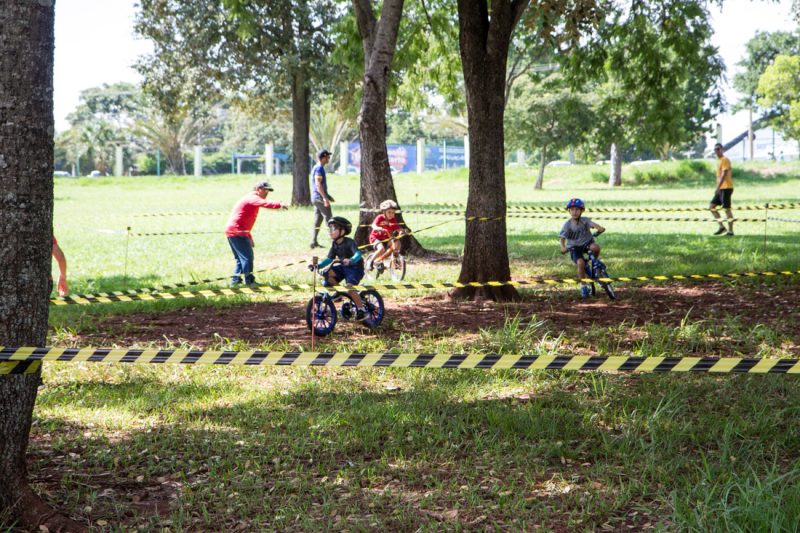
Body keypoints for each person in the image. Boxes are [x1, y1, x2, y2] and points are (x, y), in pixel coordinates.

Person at [225, 181, 286, 286]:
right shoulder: (253, 197)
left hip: (236, 230)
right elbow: (265, 203)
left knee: (241, 258)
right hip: (237, 231)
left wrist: (249, 236)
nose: (267, 192)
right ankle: (250, 281)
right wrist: (279, 204)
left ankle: (235, 281)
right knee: (247, 257)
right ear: (258, 189)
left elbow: (244, 220)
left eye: (268, 190)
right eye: (265, 190)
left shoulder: (252, 198)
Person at [309, 216, 369, 320]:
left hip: (355, 268)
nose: (330, 232)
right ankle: (340, 292)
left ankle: (361, 310)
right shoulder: (334, 244)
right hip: (343, 267)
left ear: (342, 230)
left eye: (333, 229)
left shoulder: (350, 242)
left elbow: (358, 254)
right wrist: (318, 265)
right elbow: (329, 258)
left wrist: (351, 260)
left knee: (350, 287)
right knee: (327, 274)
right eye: (329, 229)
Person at [559, 198, 605, 299]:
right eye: (572, 210)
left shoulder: (585, 220)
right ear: (569, 211)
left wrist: (599, 228)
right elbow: (562, 238)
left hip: (587, 243)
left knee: (595, 247)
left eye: (577, 210)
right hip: (574, 247)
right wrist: (562, 247)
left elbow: (593, 224)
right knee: (580, 263)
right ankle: (584, 286)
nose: (574, 212)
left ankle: (594, 264)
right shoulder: (567, 225)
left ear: (581, 211)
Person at [366, 199, 404, 273]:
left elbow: (398, 228)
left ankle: (395, 258)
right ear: (384, 212)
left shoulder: (393, 219)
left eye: (393, 213)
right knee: (381, 249)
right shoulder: (380, 217)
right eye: (389, 212)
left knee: (397, 243)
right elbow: (373, 225)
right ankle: (369, 262)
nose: (391, 214)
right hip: (376, 238)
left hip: (387, 238)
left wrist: (402, 231)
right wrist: (378, 228)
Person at [310, 149, 335, 249]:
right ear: (323, 158)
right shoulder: (319, 168)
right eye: (327, 157)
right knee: (329, 218)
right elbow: (318, 184)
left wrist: (328, 195)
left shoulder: (318, 168)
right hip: (319, 197)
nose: (328, 159)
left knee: (318, 219)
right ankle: (335, 241)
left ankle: (313, 242)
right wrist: (325, 198)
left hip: (316, 197)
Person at [710, 143, 734, 236]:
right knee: (712, 207)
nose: (717, 151)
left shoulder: (725, 159)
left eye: (718, 149)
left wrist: (718, 187)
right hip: (721, 188)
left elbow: (724, 174)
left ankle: (730, 231)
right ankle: (721, 227)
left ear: (722, 149)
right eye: (715, 149)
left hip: (726, 188)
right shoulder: (719, 160)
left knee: (727, 209)